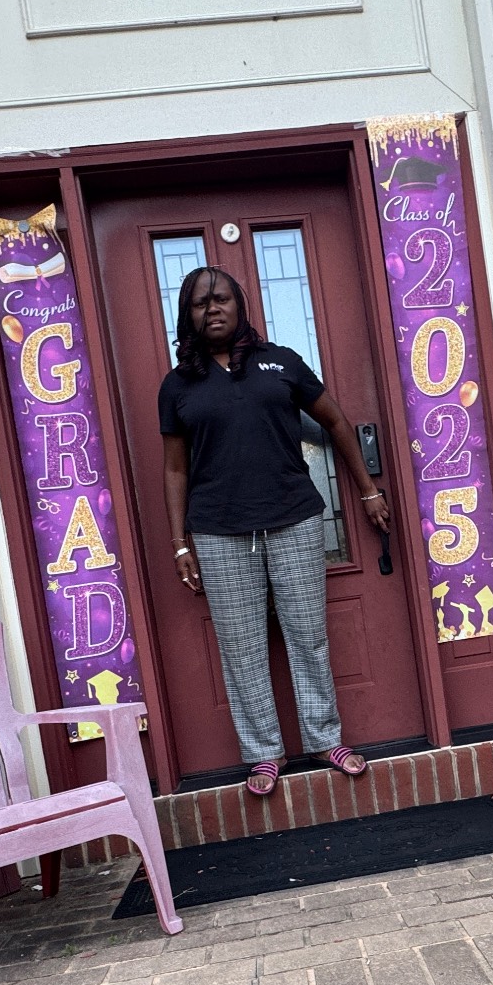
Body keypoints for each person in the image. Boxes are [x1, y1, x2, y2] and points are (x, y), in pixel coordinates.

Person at [159, 266, 392, 798]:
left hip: (294, 520)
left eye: (221, 299)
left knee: (307, 636)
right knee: (241, 649)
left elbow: (336, 421)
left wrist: (367, 490)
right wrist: (178, 543)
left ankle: (324, 740)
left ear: (239, 305)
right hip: (218, 532)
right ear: (188, 316)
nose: (212, 309)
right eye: (200, 303)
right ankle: (264, 753)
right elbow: (174, 469)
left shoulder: (280, 362)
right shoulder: (178, 386)